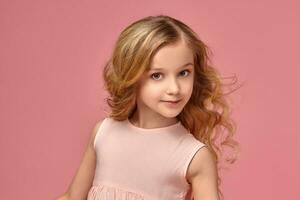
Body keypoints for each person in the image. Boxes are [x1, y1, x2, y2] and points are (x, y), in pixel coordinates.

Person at [55, 15, 240, 200]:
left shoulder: (194, 156)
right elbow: (72, 197)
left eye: (184, 73)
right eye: (157, 75)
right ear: (132, 76)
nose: (174, 89)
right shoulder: (104, 133)